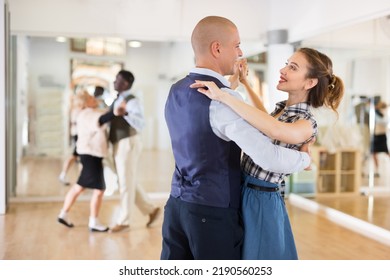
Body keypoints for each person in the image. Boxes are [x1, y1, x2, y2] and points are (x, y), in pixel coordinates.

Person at [161, 16, 313, 260]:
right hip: (211, 213)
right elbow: (269, 157)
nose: (241, 53)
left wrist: (237, 86)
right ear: (217, 48)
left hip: (176, 208)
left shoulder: (176, 89)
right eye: (237, 45)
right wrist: (304, 159)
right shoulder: (220, 99)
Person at [192, 47, 344, 259]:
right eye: (286, 63)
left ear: (310, 83)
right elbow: (266, 121)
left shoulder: (306, 123)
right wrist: (244, 83)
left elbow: (275, 130)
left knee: (260, 258)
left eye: (292, 67)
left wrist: (224, 97)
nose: (283, 69)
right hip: (247, 189)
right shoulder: (282, 110)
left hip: (262, 197)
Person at [98, 70, 160, 233]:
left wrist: (124, 113)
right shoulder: (119, 98)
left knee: (125, 183)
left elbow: (140, 124)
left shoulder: (132, 100)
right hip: (120, 143)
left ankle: (124, 221)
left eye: (117, 80)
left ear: (125, 83)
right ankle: (151, 210)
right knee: (127, 181)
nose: (114, 82)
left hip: (128, 143)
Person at [57, 91, 110, 232]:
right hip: (91, 154)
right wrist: (116, 112)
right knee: (99, 190)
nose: (95, 99)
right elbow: (101, 120)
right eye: (92, 98)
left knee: (79, 187)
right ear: (86, 102)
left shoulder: (86, 113)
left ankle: (64, 214)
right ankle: (93, 221)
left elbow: (101, 116)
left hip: (88, 154)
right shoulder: (88, 114)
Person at [58, 91, 85, 185]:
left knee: (77, 156)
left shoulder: (75, 109)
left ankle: (80, 178)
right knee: (77, 156)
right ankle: (65, 175)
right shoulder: (77, 110)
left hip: (77, 135)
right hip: (79, 135)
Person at [372, 100, 390, 174]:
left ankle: (377, 170)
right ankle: (377, 170)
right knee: (374, 153)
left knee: (386, 152)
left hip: (382, 136)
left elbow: (383, 121)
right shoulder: (376, 113)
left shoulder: (384, 115)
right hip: (376, 135)